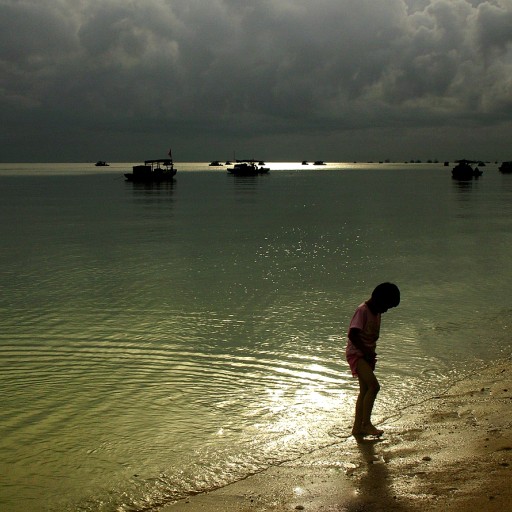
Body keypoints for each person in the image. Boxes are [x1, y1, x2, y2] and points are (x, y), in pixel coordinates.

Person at [346, 282, 400, 437]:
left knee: (364, 391)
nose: (386, 310)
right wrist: (366, 352)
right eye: (386, 306)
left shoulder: (377, 312)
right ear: (378, 300)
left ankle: (357, 428)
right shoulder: (362, 310)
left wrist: (370, 354)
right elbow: (353, 334)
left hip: (367, 355)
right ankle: (366, 423)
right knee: (374, 387)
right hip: (357, 354)